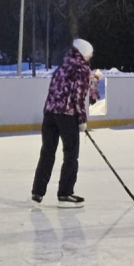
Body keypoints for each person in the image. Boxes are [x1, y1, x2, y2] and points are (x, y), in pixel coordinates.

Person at [31, 39, 93, 205]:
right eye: (89, 54)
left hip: (49, 114)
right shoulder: (82, 69)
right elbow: (78, 97)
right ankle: (65, 192)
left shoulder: (62, 67)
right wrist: (82, 120)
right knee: (71, 154)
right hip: (67, 115)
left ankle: (37, 192)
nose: (90, 57)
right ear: (84, 53)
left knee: (47, 152)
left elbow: (53, 93)